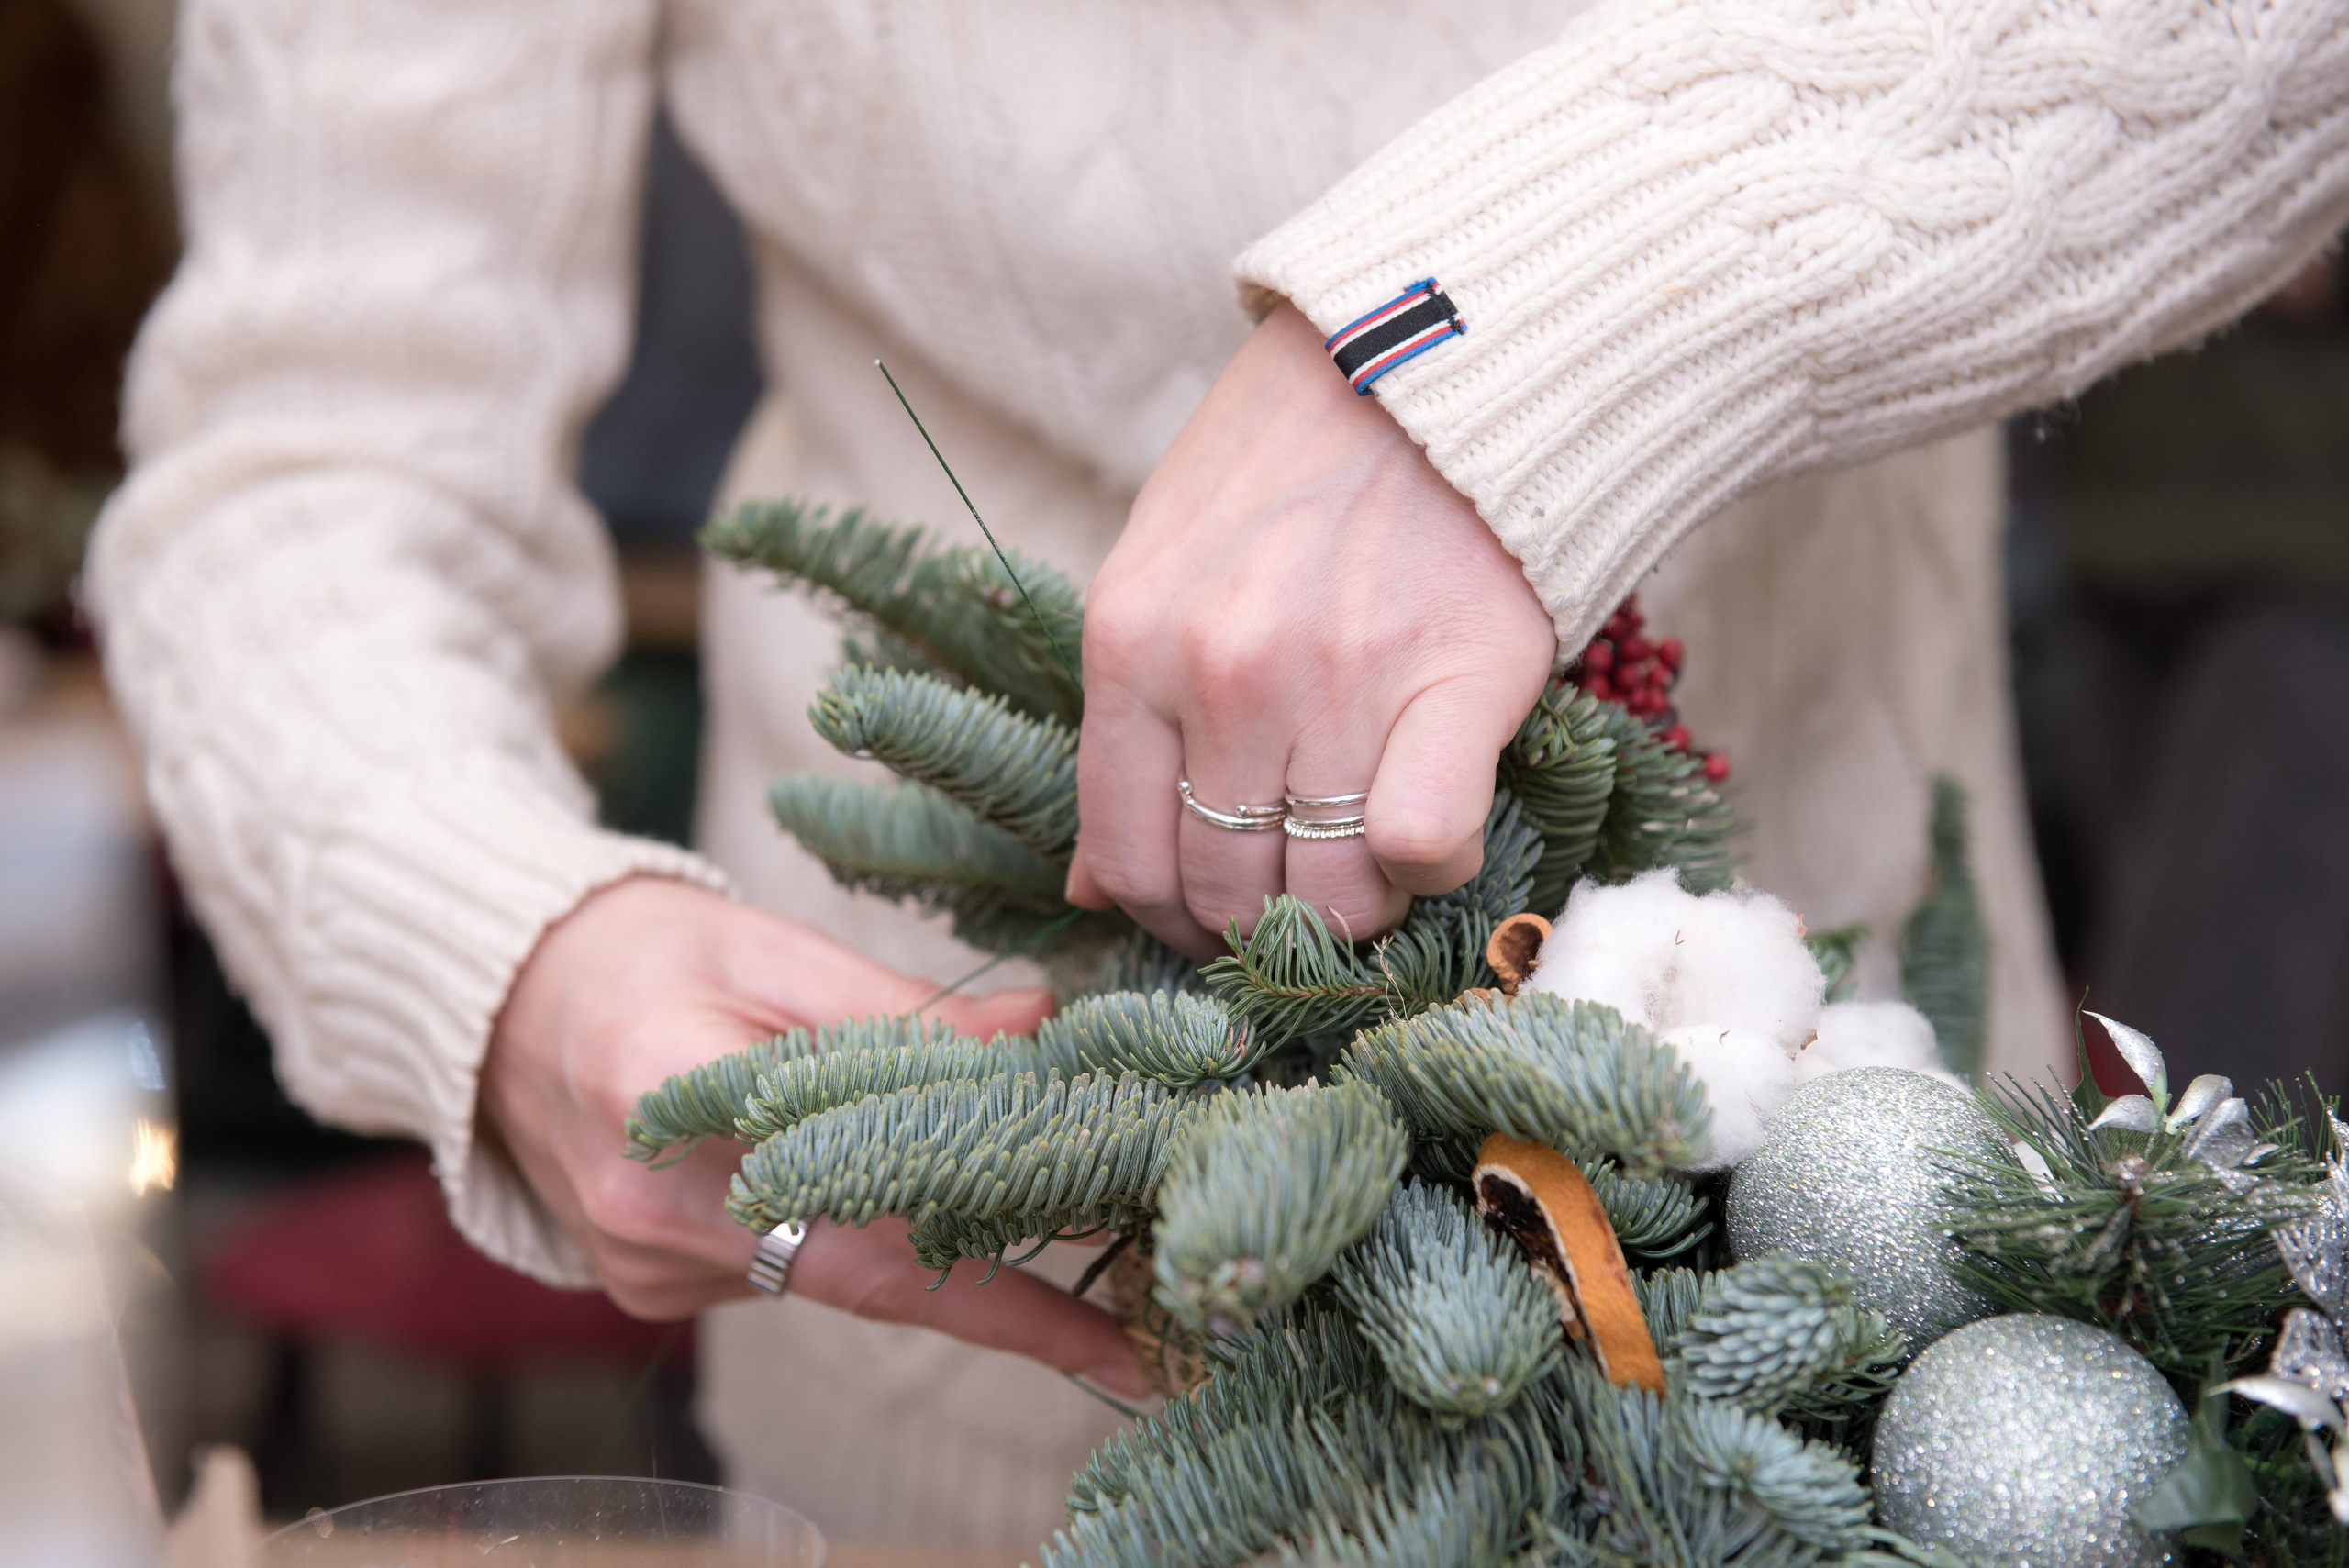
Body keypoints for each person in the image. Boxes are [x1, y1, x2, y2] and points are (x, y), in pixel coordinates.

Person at [90, 0, 2348, 1551]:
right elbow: (310, 457)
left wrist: (1503, 336)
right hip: (981, 1341)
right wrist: (510, 949)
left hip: (1867, 1263)